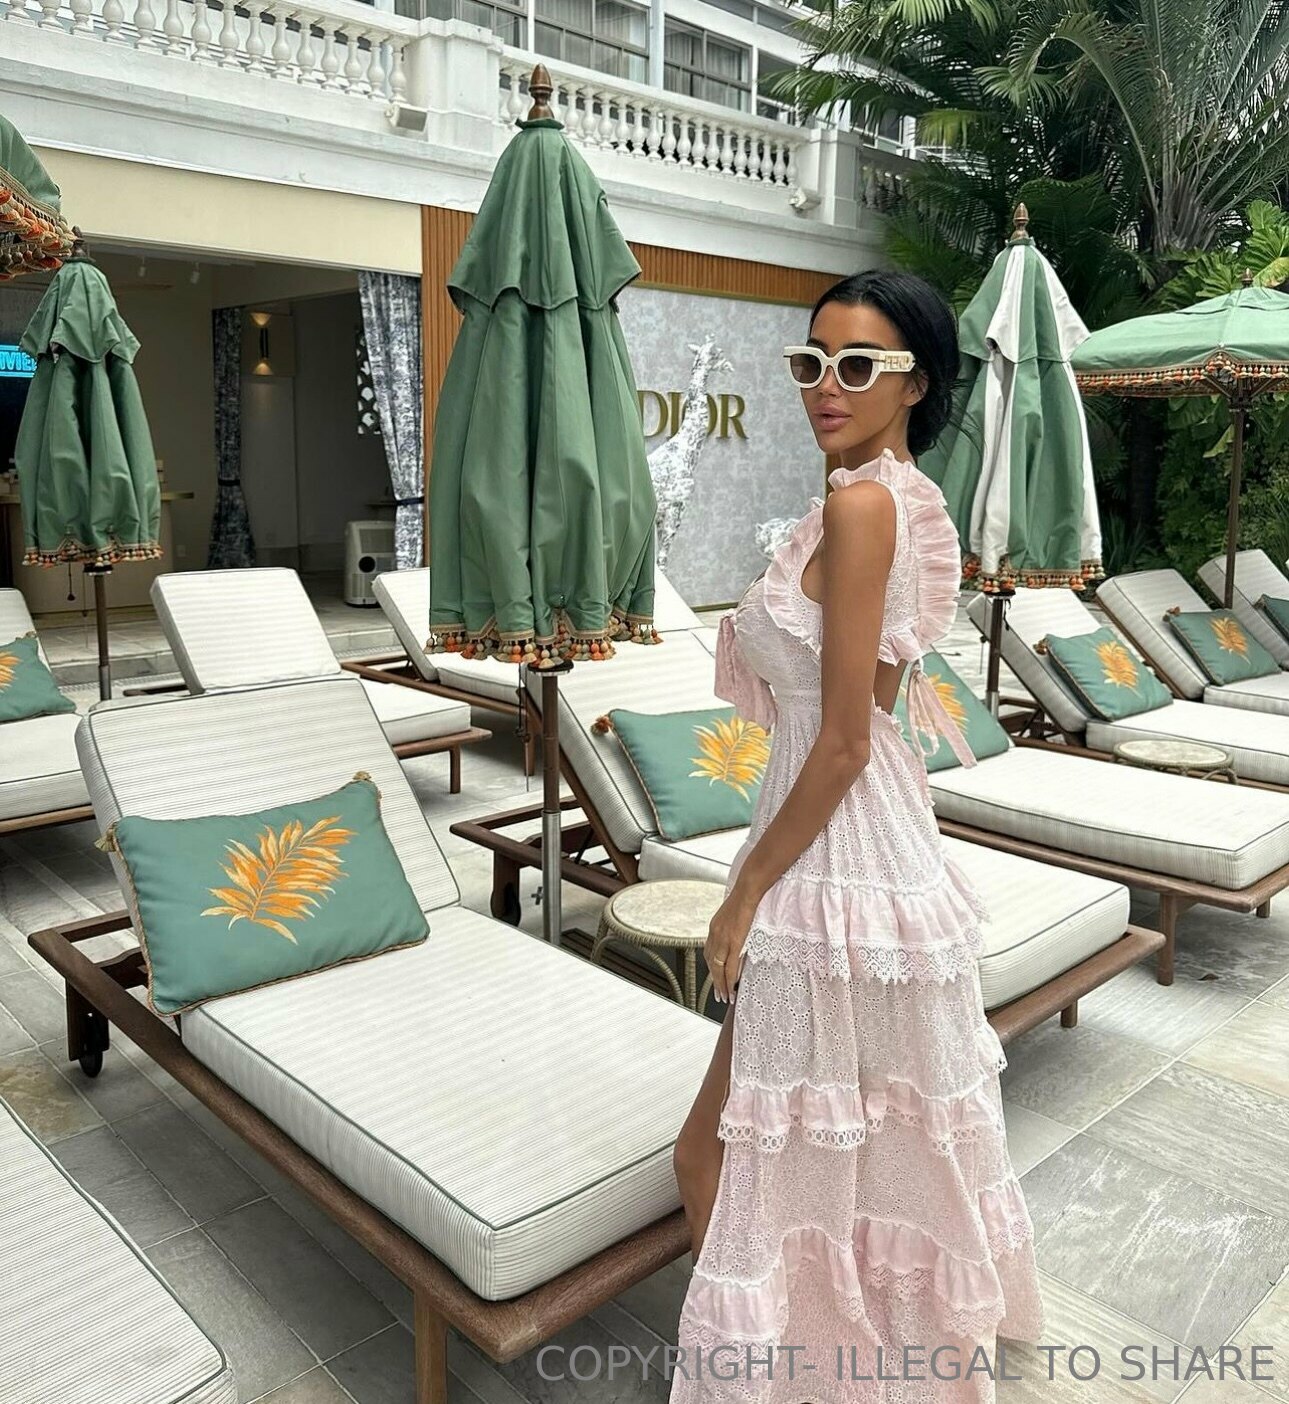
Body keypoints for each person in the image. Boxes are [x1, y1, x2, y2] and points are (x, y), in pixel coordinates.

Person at [667, 270, 1044, 1404]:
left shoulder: (862, 508)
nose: (825, 386)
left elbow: (840, 740)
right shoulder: (897, 500)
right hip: (861, 845)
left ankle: (775, 1376)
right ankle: (852, 1363)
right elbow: (867, 718)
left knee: (721, 1150)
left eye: (857, 365)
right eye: (810, 361)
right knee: (857, 1138)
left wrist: (744, 893)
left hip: (830, 853)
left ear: (913, 382)